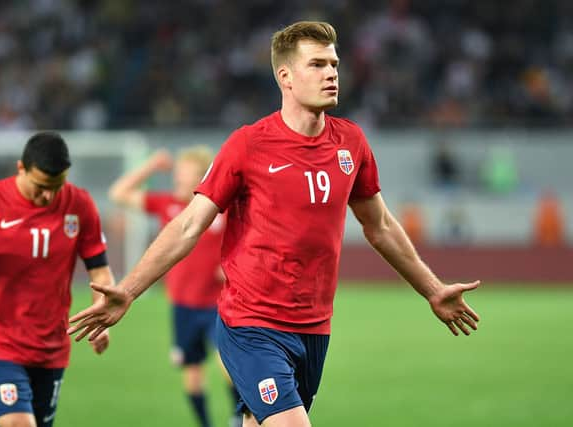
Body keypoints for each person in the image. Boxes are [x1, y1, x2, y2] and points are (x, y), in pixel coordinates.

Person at [68, 21, 480, 427]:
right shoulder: (248, 145)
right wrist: (129, 290)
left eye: (334, 64)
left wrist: (433, 290)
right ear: (285, 76)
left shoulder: (351, 143)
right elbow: (188, 225)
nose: (332, 73)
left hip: (314, 326)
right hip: (251, 324)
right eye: (317, 64)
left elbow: (382, 227)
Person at [0, 132, 115, 427]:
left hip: (52, 347)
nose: (49, 196)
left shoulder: (79, 204)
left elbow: (99, 269)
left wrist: (102, 312)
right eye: (41, 187)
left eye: (57, 187)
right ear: (21, 168)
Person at [108, 146, 240, 427]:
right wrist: (152, 166)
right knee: (192, 374)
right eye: (177, 173)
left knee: (228, 365)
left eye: (185, 173)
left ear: (201, 176)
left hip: (219, 304)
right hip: (182, 306)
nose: (178, 178)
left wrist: (231, 263)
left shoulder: (218, 206)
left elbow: (245, 235)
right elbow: (118, 193)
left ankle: (236, 417)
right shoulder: (165, 204)